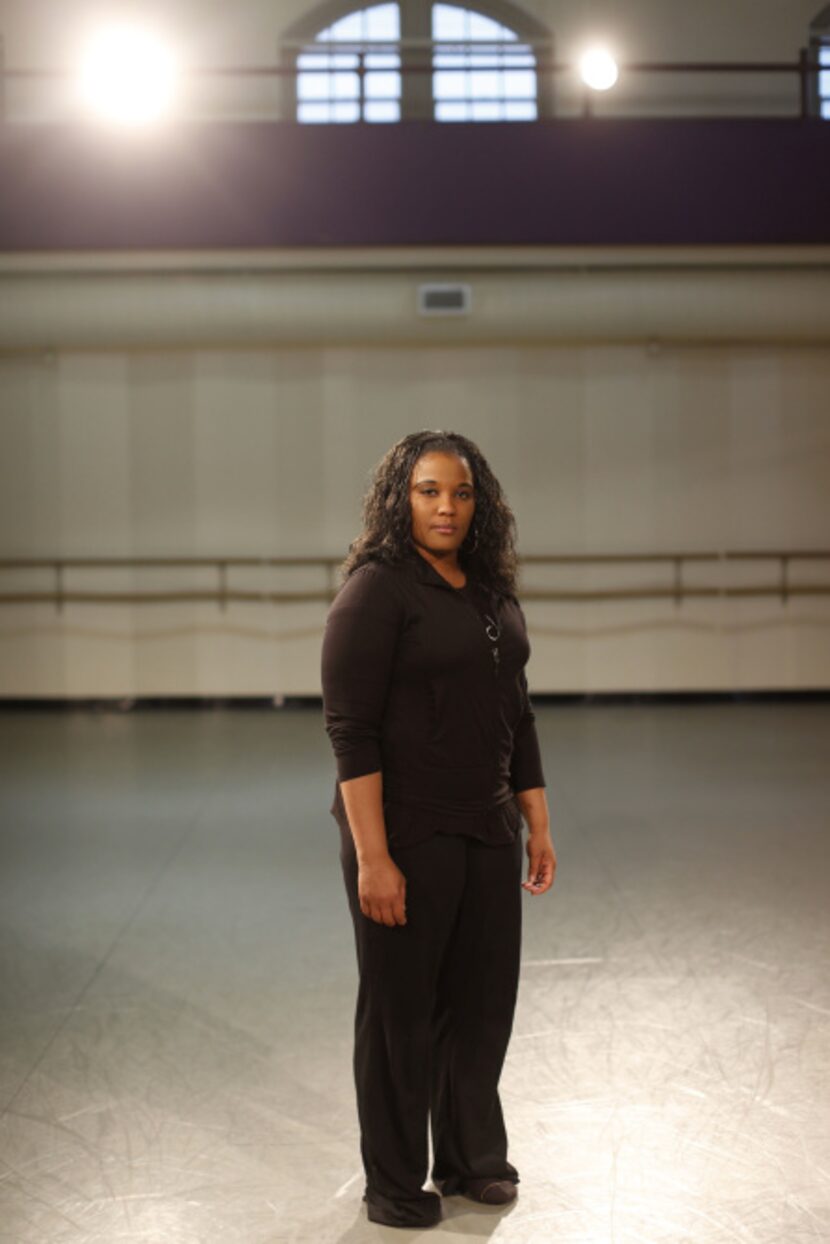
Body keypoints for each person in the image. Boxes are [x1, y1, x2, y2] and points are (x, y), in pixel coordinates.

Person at [320, 429, 556, 1230]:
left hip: (487, 829)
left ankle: (471, 1161)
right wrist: (373, 857)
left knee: (482, 1005)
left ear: (479, 502)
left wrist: (538, 821)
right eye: (428, 491)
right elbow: (350, 729)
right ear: (401, 498)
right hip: (406, 833)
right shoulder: (376, 591)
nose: (447, 506)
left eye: (460, 492)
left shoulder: (491, 591)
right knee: (401, 1014)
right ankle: (393, 1182)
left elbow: (516, 714)